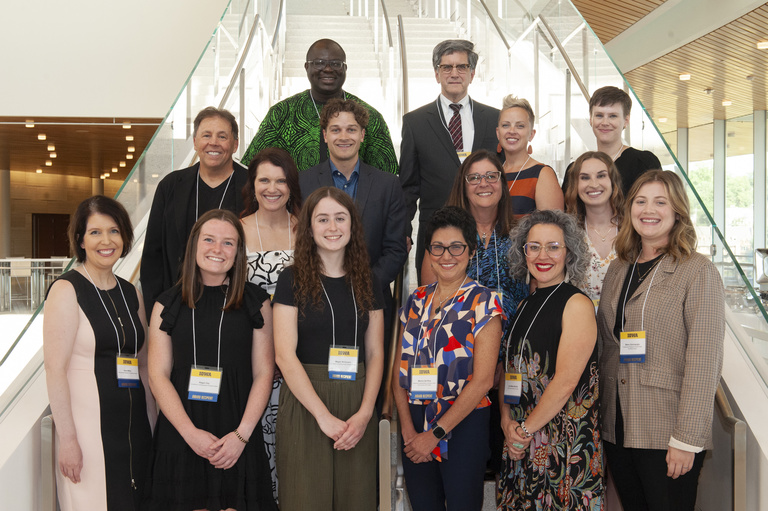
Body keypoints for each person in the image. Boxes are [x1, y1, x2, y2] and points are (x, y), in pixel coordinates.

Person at [597, 170, 724, 511]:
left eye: (660, 202)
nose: (648, 209)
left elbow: (704, 360)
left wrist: (687, 439)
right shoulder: (618, 268)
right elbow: (606, 347)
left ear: (678, 211)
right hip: (617, 427)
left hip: (667, 429)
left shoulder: (697, 271)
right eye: (640, 201)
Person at [147, 209, 276, 511]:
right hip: (182, 432)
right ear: (194, 245)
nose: (217, 249)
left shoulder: (257, 302)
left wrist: (240, 436)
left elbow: (264, 372)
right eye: (209, 239)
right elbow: (157, 375)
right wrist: (190, 435)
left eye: (228, 243)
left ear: (238, 252)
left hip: (237, 432)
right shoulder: (166, 304)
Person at [272, 187, 384, 511]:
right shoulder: (290, 279)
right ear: (309, 227)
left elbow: (375, 352)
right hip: (306, 404)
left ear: (352, 225)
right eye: (323, 219)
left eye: (340, 218)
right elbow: (283, 354)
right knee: (304, 500)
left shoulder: (370, 280)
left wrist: (365, 414)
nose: (332, 227)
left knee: (358, 501)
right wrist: (323, 417)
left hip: (357, 405)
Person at [44, 195, 154, 511]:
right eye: (95, 232)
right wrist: (68, 442)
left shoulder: (130, 291)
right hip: (88, 435)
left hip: (134, 431)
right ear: (80, 239)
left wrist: (152, 421)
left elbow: (142, 364)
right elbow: (54, 370)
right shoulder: (67, 290)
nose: (106, 241)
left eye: (114, 231)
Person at [394, 206, 503, 510]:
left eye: (456, 247)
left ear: (470, 251)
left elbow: (482, 380)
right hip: (415, 420)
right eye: (438, 247)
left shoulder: (484, 302)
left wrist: (435, 433)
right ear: (428, 252)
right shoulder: (416, 300)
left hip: (463, 422)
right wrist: (408, 430)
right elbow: (398, 371)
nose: (446, 255)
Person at [498, 209, 603, 510]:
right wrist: (507, 423)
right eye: (534, 246)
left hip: (562, 451)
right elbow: (509, 369)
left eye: (553, 246)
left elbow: (566, 381)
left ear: (569, 252)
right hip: (521, 442)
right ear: (523, 252)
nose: (543, 255)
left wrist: (524, 431)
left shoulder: (577, 304)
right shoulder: (525, 304)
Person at [300, 98, 407, 380]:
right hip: (316, 303)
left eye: (351, 129)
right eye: (335, 129)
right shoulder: (303, 183)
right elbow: (300, 244)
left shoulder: (388, 185)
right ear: (324, 135)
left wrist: (361, 287)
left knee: (369, 384)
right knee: (319, 380)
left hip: (370, 303)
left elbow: (396, 249)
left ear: (362, 134)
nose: (343, 136)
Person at [400, 39, 504, 282]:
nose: (454, 73)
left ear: (472, 73)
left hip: (487, 235)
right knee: (437, 310)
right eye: (447, 67)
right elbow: (408, 187)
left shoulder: (494, 118)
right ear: (437, 74)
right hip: (437, 239)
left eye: (462, 67)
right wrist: (403, 232)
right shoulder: (415, 123)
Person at [141, 107, 249, 315]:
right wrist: (155, 310)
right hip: (178, 304)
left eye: (222, 136)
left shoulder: (251, 186)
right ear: (195, 142)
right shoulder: (171, 186)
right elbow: (153, 255)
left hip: (236, 305)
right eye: (206, 135)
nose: (213, 142)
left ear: (235, 145)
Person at [239, 147, 303, 501]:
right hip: (252, 362)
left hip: (298, 362)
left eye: (280, 180)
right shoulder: (235, 229)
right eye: (264, 179)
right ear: (253, 184)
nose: (272, 188)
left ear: (291, 185)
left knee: (293, 454)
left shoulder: (308, 229)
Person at [240, 38, 398, 174]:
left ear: (345, 69)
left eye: (336, 64)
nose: (328, 69)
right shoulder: (282, 113)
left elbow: (387, 177)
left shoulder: (369, 116)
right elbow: (252, 167)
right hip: (297, 206)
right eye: (319, 63)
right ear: (306, 67)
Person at [562, 86, 661, 197]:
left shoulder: (643, 162)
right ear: (591, 119)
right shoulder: (575, 169)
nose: (605, 122)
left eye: (613, 116)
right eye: (599, 115)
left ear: (626, 120)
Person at [563, 150, 624, 306]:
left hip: (628, 325)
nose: (594, 184)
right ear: (575, 185)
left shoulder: (632, 230)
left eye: (601, 175)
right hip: (581, 323)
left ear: (613, 181)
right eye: (584, 178)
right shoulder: (567, 234)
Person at [496, 95, 563, 217]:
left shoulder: (542, 175)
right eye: (506, 125)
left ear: (531, 134)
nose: (512, 130)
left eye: (520, 126)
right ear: (498, 133)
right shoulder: (493, 173)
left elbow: (552, 230)